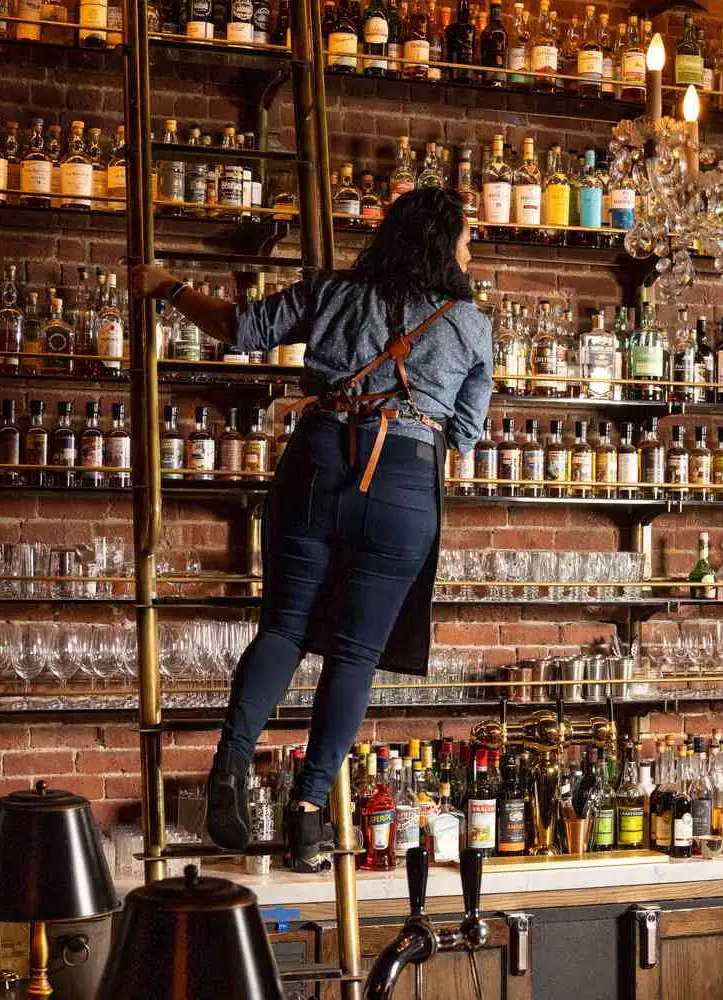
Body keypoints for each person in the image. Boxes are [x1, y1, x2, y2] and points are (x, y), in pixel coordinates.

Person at [132, 188, 492, 871]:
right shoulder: (470, 324)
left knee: (286, 628)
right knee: (354, 656)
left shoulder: (331, 292)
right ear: (443, 245)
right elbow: (467, 433)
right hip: (403, 478)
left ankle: (231, 763)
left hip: (318, 459)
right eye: (467, 239)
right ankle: (307, 817)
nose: (471, 251)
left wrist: (168, 286)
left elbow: (239, 328)